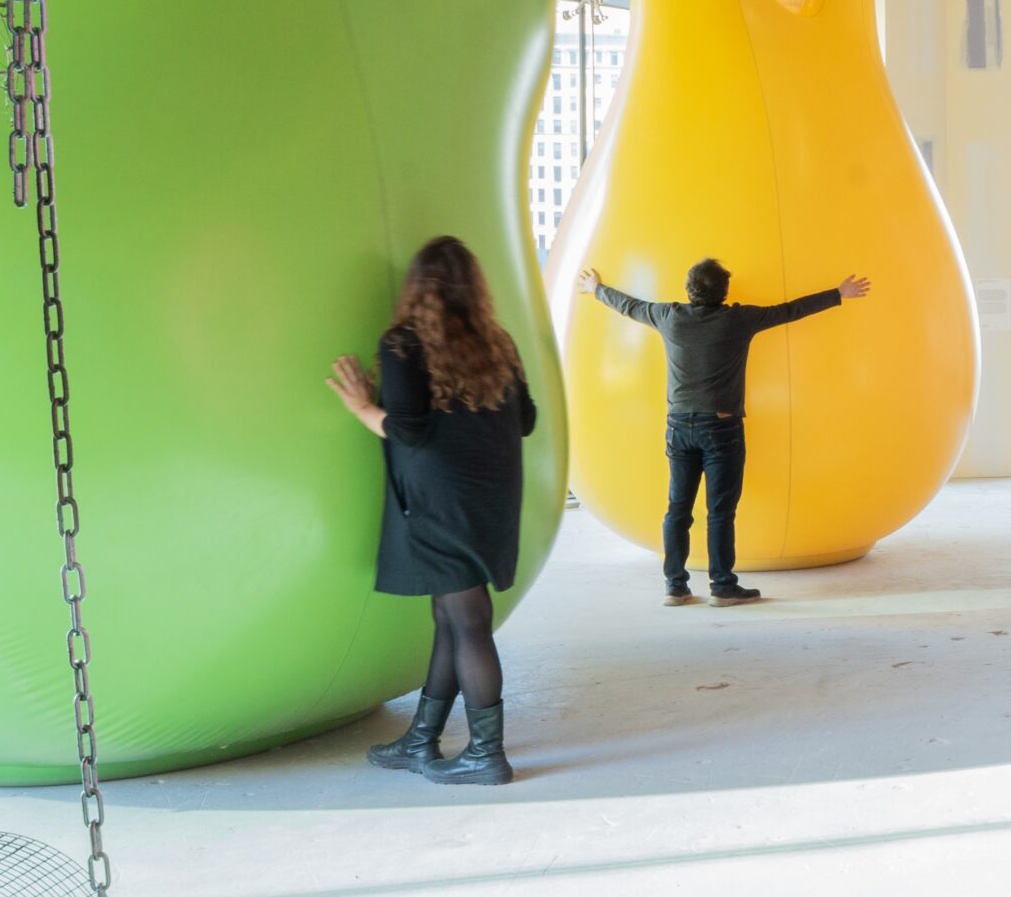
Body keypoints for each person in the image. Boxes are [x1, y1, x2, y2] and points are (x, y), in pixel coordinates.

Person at [325, 236, 537, 787]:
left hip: (439, 501)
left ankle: (486, 754)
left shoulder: (404, 343)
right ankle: (421, 739)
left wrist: (361, 405)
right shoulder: (499, 344)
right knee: (451, 614)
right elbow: (526, 420)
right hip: (492, 497)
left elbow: (409, 430)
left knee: (467, 619)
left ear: (417, 288)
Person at [577, 259, 870, 607]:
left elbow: (629, 306)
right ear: (724, 292)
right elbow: (789, 310)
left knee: (677, 509)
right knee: (719, 512)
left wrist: (596, 289)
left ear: (688, 290)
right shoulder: (738, 319)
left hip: (678, 426)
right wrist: (838, 293)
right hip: (721, 428)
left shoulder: (669, 316)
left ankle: (675, 586)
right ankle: (722, 586)